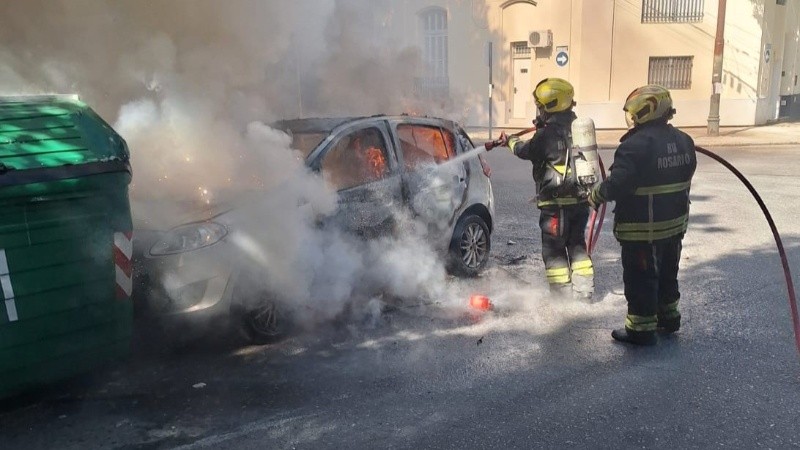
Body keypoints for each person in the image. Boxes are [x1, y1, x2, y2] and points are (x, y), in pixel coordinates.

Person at [588, 84, 696, 346]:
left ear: (646, 112)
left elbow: (618, 184)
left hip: (642, 227)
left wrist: (596, 194)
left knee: (640, 278)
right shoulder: (683, 140)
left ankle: (640, 329)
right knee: (668, 272)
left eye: (634, 114)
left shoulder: (635, 146)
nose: (631, 119)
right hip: (674, 225)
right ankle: (669, 319)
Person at [499, 78, 594, 300]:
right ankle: (584, 293)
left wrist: (510, 141)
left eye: (541, 106)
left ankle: (562, 297)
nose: (539, 110)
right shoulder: (579, 128)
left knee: (554, 252)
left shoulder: (547, 134)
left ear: (551, 105)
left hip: (555, 206)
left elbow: (526, 151)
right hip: (580, 202)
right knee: (578, 246)